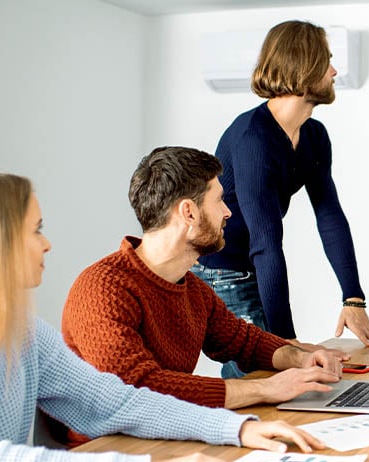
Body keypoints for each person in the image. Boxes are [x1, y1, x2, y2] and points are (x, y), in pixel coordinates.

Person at [0, 172, 324, 462]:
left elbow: (113, 400)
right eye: (36, 229)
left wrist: (237, 429)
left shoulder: (23, 332)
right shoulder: (103, 286)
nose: (47, 245)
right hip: (108, 455)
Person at [62, 147, 346, 442]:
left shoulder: (193, 289)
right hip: (111, 453)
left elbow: (244, 342)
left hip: (168, 439)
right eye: (219, 200)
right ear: (189, 212)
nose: (228, 212)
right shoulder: (102, 288)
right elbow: (137, 388)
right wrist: (266, 388)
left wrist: (298, 359)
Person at [194, 20, 369, 379]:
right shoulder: (253, 138)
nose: (334, 71)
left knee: (283, 369)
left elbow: (329, 216)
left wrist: (353, 298)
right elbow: (266, 243)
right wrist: (287, 342)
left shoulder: (313, 135)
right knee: (265, 374)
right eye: (326, 61)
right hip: (223, 269)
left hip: (255, 261)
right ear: (303, 67)